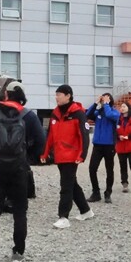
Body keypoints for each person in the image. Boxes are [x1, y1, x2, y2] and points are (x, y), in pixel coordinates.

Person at [0, 81, 46, 262]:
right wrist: (28, 157)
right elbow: (41, 140)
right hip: (19, 169)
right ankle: (18, 253)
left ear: (6, 94)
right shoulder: (28, 115)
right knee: (20, 211)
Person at [42, 84, 93, 229]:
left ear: (68, 95)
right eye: (56, 94)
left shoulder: (78, 113)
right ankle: (85, 210)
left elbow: (84, 135)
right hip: (60, 155)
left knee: (65, 186)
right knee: (71, 183)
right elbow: (50, 135)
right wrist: (44, 153)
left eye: (59, 94)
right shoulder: (55, 113)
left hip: (72, 155)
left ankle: (63, 216)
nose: (56, 97)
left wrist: (82, 154)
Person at [85, 92, 120, 203]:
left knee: (109, 170)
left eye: (106, 99)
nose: (103, 100)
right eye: (103, 99)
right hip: (97, 145)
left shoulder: (114, 112)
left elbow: (110, 115)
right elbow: (87, 115)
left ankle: (108, 193)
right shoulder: (98, 112)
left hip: (109, 145)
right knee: (92, 168)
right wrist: (96, 103)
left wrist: (106, 104)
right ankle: (96, 192)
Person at [116, 102, 131, 193]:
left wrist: (129, 136)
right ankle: (124, 184)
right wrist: (119, 137)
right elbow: (114, 132)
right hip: (121, 146)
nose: (122, 108)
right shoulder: (118, 119)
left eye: (124, 106)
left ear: (128, 108)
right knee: (123, 166)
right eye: (121, 106)